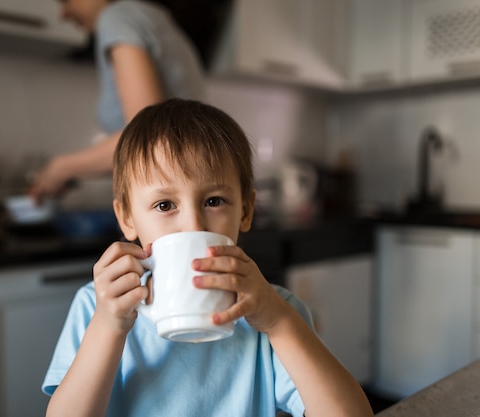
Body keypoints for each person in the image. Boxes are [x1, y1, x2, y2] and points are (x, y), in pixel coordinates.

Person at [41, 98, 374, 417]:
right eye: (165, 205)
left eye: (214, 201)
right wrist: (108, 327)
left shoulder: (275, 310)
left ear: (246, 210)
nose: (193, 226)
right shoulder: (96, 308)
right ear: (127, 217)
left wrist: (278, 322)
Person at [29, 0, 206, 201]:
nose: (64, 14)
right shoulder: (155, 19)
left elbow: (148, 135)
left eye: (66, 1)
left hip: (166, 205)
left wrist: (62, 168)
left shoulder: (117, 17)